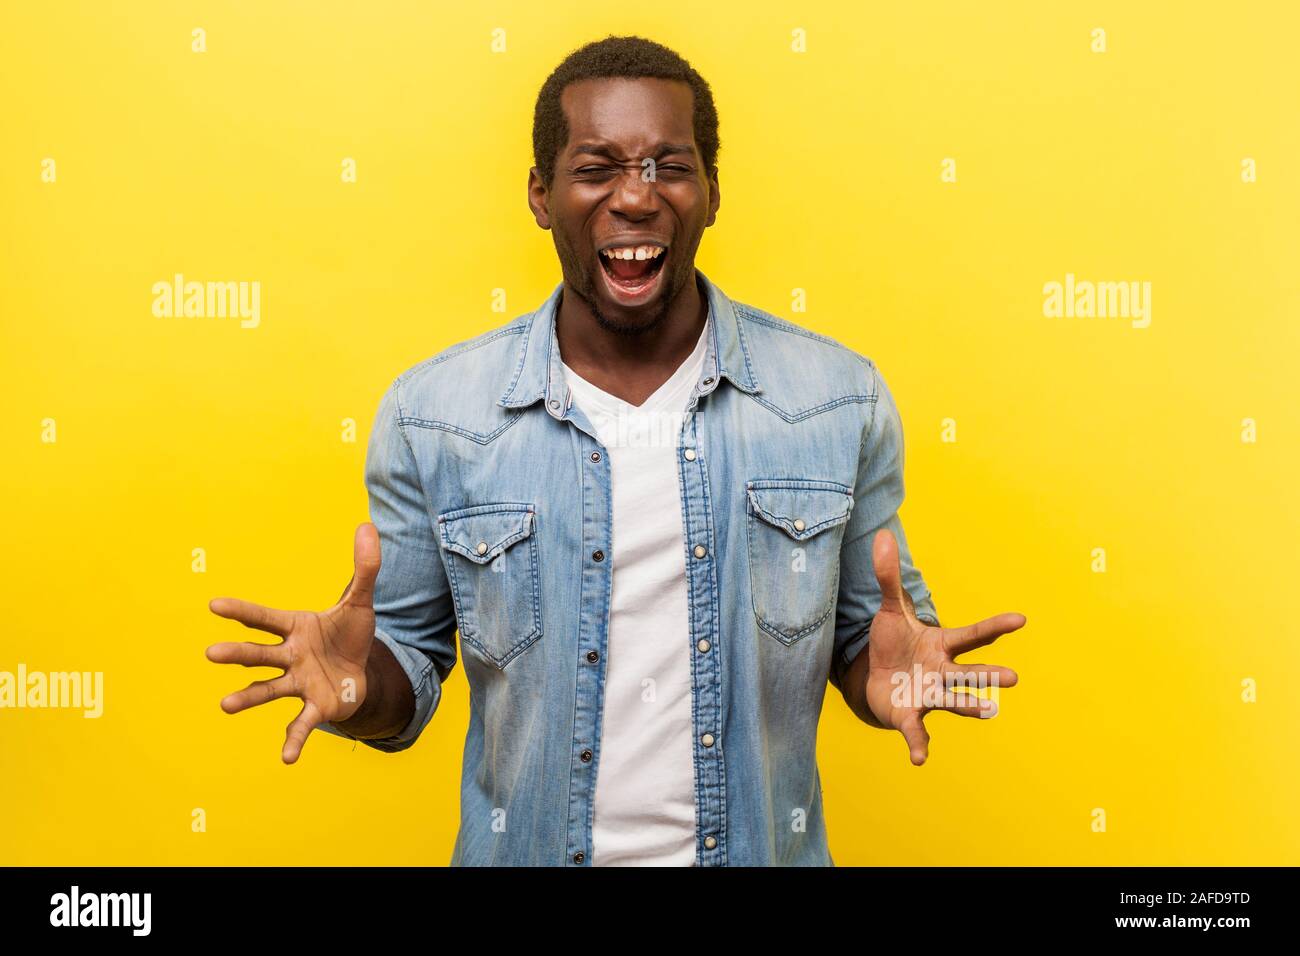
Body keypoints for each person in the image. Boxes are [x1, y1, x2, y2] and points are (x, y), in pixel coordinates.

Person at [206, 35, 1025, 866]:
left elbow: (871, 641)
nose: (635, 198)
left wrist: (885, 669)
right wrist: (358, 686)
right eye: (596, 167)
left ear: (710, 193)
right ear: (540, 194)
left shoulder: (834, 402)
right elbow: (404, 678)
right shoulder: (435, 416)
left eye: (669, 165)